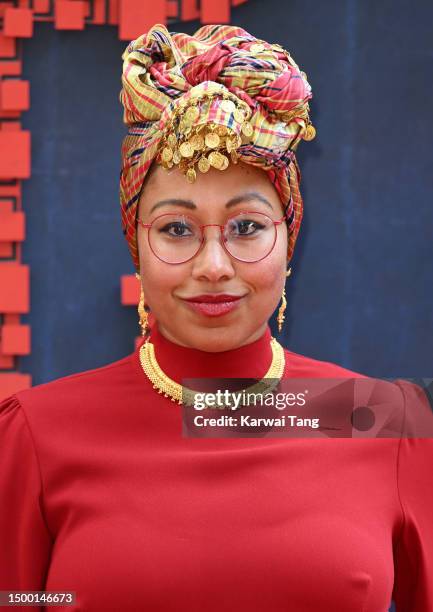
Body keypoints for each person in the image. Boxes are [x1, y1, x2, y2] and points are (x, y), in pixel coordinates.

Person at [0, 23, 432, 612]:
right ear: (134, 242)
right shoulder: (37, 436)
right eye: (176, 229)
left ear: (290, 236)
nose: (213, 265)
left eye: (247, 227)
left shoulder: (379, 419)